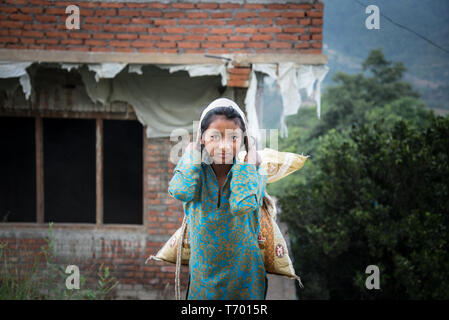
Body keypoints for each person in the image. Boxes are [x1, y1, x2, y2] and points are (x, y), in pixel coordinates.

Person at [168, 97, 268, 300]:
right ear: (202, 139)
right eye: (214, 136)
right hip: (203, 283)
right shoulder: (196, 173)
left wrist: (250, 165)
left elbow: (243, 204)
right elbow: (180, 191)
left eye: (233, 138)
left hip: (245, 281)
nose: (224, 146)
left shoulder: (252, 173)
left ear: (243, 141)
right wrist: (191, 155)